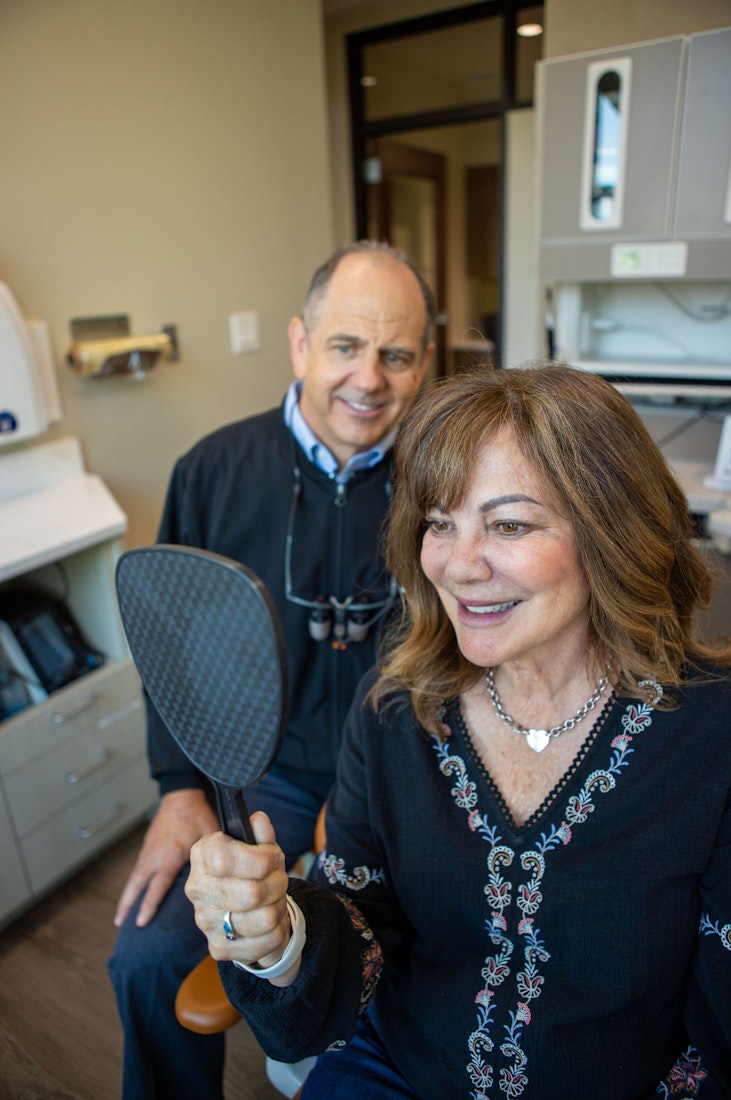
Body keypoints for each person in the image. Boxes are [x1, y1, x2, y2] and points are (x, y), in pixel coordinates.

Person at [186, 363, 731, 1099]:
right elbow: (356, 931)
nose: (457, 563)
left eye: (507, 524)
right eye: (439, 522)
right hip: (400, 1071)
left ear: (612, 531)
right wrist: (277, 942)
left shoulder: (712, 732)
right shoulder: (393, 714)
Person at [108, 240, 435, 1100]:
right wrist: (180, 789)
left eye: (396, 354)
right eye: (345, 346)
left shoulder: (441, 481)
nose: (369, 378)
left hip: (400, 781)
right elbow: (167, 644)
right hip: (262, 782)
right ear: (299, 344)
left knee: (420, 959)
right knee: (144, 957)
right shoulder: (213, 472)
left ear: (423, 362)